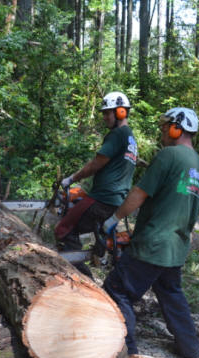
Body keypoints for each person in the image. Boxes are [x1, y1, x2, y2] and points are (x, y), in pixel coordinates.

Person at [102, 107, 199, 358]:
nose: (162, 132)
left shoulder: (168, 155)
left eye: (165, 127)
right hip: (175, 246)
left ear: (177, 129)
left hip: (153, 244)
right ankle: (191, 349)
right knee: (171, 292)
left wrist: (113, 218)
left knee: (117, 289)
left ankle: (127, 351)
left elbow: (139, 193)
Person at [54, 91, 138, 277]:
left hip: (102, 199)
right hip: (116, 201)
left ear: (121, 113)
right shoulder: (130, 137)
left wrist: (72, 179)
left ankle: (82, 276)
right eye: (104, 113)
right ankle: (95, 253)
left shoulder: (118, 134)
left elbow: (96, 163)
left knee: (63, 229)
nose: (105, 117)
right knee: (78, 217)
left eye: (108, 113)